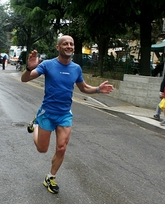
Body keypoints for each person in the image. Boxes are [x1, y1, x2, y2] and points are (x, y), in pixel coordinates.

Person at [21, 35, 114, 194]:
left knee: (62, 148)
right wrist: (29, 68)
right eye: (65, 44)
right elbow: (25, 80)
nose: (69, 46)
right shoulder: (48, 64)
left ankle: (50, 177)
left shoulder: (76, 68)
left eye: (71, 44)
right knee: (42, 149)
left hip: (64, 114)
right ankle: (36, 125)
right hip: (47, 113)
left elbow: (83, 88)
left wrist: (98, 89)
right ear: (58, 47)